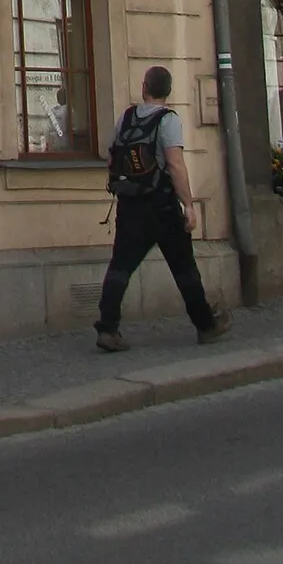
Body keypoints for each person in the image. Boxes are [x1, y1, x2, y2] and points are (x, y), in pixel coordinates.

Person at [95, 66, 229, 351]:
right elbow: (175, 164)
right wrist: (188, 205)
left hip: (130, 204)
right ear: (168, 91)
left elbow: (111, 158)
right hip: (162, 205)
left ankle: (107, 328)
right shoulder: (168, 121)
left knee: (120, 266)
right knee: (183, 267)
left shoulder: (126, 118)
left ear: (145, 87)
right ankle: (206, 325)